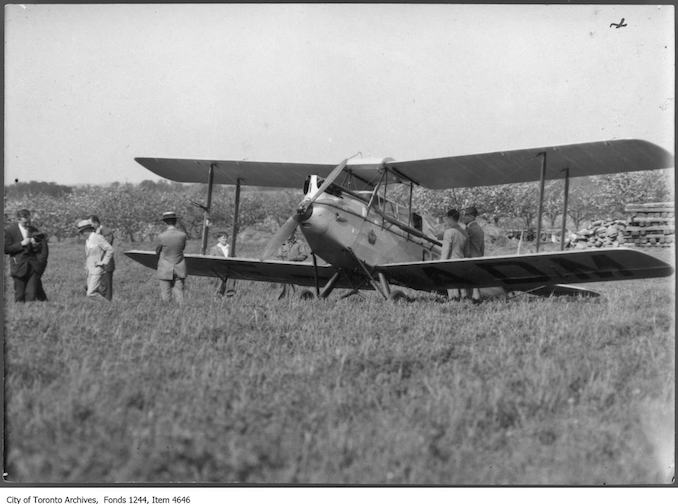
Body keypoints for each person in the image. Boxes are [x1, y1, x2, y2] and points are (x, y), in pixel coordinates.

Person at [4, 209, 49, 302]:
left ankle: (31, 315)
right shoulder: (9, 231)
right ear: (18, 220)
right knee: (19, 295)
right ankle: (20, 315)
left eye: (29, 221)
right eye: (25, 222)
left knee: (31, 295)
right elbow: (6, 249)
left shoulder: (34, 230)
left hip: (33, 266)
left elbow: (41, 249)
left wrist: (35, 245)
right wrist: (21, 244)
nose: (28, 224)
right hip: (18, 267)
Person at [77, 219, 114, 301]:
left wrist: (104, 262)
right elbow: (89, 256)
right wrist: (86, 267)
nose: (81, 234)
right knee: (91, 291)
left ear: (87, 230)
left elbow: (110, 249)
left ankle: (108, 305)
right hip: (90, 270)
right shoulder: (88, 240)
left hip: (97, 269)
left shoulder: (97, 237)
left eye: (82, 232)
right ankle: (102, 309)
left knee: (90, 293)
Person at [155, 211, 187, 304]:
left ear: (165, 222)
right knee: (179, 293)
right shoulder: (182, 235)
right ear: (175, 221)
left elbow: (157, 251)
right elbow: (183, 248)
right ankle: (181, 313)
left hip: (165, 268)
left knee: (165, 294)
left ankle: (167, 313)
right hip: (180, 267)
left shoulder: (161, 236)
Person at [440, 208, 468, 301]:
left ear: (451, 218)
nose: (446, 221)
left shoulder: (449, 232)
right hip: (462, 261)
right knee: (462, 283)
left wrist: (441, 264)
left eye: (447, 218)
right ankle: (465, 300)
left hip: (451, 261)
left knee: (452, 284)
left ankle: (454, 301)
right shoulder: (464, 232)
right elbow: (467, 251)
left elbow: (446, 250)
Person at [462, 206, 485, 304]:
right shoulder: (479, 229)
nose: (463, 217)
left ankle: (469, 300)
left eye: (466, 215)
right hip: (478, 256)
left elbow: (463, 243)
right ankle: (476, 299)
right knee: (475, 282)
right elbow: (482, 247)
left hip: (469, 258)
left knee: (467, 281)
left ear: (472, 216)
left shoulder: (469, 229)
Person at [88, 215, 115, 301]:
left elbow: (106, 248)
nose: (89, 226)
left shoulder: (106, 232)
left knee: (106, 290)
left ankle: (108, 307)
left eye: (91, 224)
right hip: (96, 265)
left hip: (105, 265)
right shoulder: (95, 233)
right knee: (97, 286)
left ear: (96, 223)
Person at [277, 233, 308, 299]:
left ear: (294, 233)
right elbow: (279, 255)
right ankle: (282, 302)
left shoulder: (300, 243)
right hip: (284, 270)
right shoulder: (283, 243)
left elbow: (304, 255)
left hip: (295, 270)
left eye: (290, 232)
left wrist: (294, 259)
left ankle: (299, 301)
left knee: (297, 289)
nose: (288, 234)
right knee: (282, 289)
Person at [209, 232, 235, 297]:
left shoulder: (230, 248)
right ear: (219, 239)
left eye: (226, 238)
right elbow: (211, 260)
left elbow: (234, 257)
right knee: (219, 286)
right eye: (223, 238)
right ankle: (218, 297)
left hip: (229, 269)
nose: (225, 239)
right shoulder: (214, 248)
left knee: (230, 285)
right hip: (218, 269)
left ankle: (229, 296)